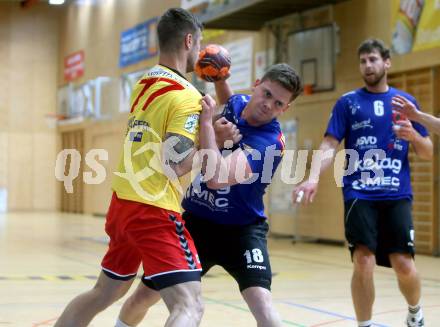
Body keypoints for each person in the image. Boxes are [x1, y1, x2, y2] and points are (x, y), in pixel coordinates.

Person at [114, 63, 303, 327]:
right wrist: (219, 78)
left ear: (286, 109)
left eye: (279, 103)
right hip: (197, 224)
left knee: (263, 305)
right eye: (267, 94)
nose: (268, 105)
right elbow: (230, 103)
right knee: (144, 295)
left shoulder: (270, 142)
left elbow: (216, 178)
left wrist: (207, 125)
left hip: (242, 231)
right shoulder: (236, 103)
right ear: (256, 84)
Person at [55, 8, 208, 327]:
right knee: (189, 304)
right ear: (188, 40)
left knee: (103, 293)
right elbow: (175, 164)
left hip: (123, 203)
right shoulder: (187, 96)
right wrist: (208, 138)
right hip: (153, 207)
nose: (199, 52)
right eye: (198, 45)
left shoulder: (145, 82)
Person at [293, 39, 432, 327]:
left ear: (386, 63)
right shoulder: (348, 103)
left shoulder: (405, 104)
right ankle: (364, 324)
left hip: (396, 193)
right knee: (363, 260)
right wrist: (314, 177)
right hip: (359, 192)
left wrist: (414, 137)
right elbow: (330, 144)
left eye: (372, 59)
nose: (367, 66)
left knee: (404, 265)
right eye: (363, 61)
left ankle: (415, 312)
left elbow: (427, 152)